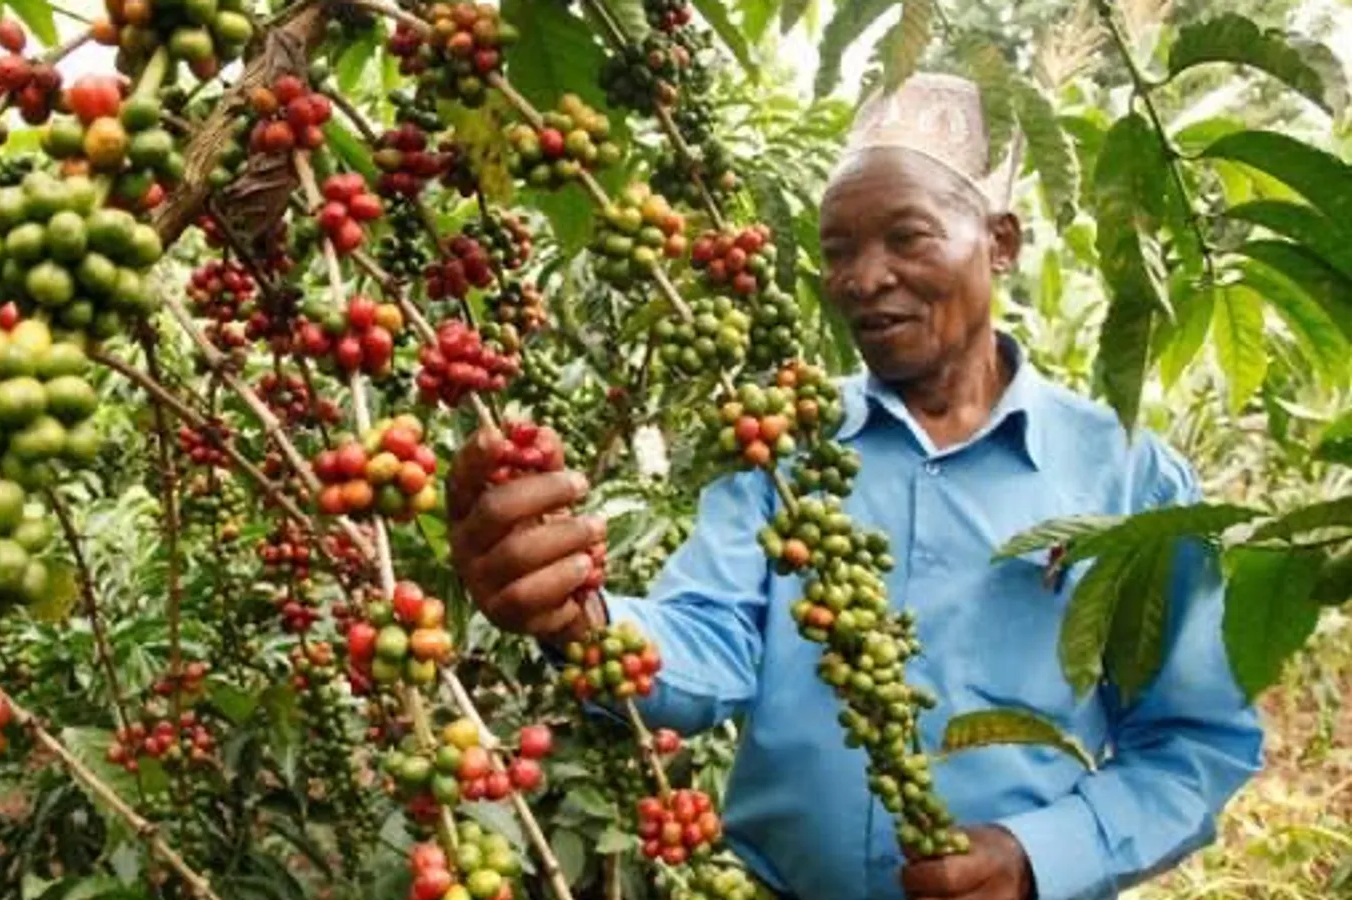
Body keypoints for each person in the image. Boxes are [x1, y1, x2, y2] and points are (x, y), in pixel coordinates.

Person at [445, 73, 1263, 900]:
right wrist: (580, 620)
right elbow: (711, 637)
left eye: (908, 238)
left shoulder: (1128, 476)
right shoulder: (782, 442)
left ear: (1001, 243)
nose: (864, 279)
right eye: (838, 251)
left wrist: (1035, 857)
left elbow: (1194, 741)